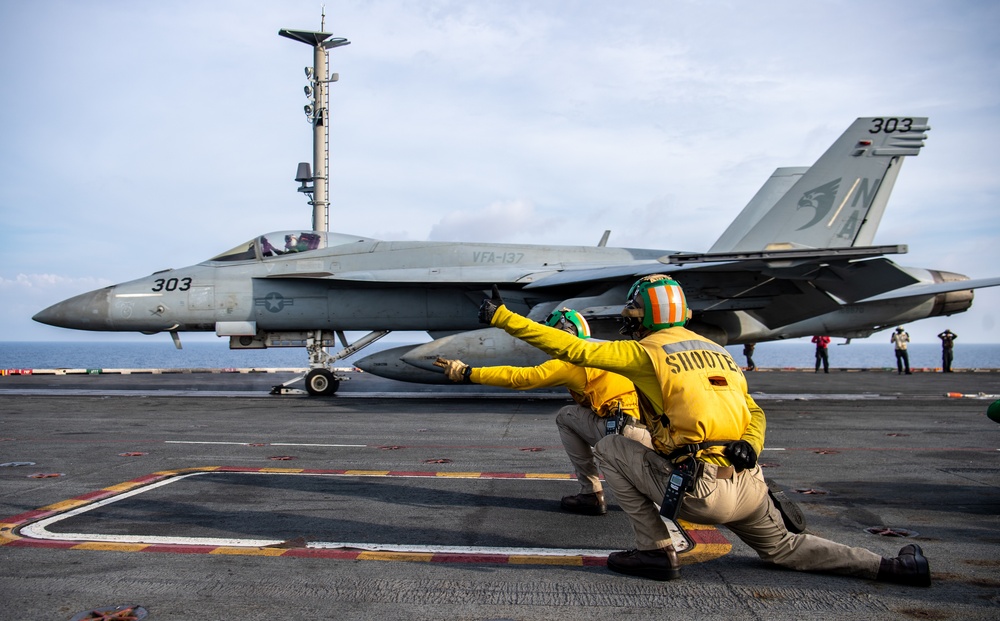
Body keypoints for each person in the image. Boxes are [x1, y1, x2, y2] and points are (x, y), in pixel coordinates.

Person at [477, 277, 930, 586]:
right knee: (787, 548)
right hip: (748, 483)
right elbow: (755, 413)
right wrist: (750, 447)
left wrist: (502, 317)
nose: (629, 315)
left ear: (647, 314)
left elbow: (572, 346)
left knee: (614, 446)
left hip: (697, 490)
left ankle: (654, 549)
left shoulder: (645, 353)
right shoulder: (720, 353)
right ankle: (893, 567)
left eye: (633, 309)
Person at [434, 308, 651, 516]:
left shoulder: (571, 362)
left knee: (566, 417)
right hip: (651, 433)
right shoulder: (611, 350)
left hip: (623, 435)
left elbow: (521, 378)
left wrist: (469, 373)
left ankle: (591, 493)